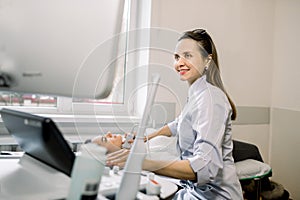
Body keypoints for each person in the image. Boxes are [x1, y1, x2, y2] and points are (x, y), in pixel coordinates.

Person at [100, 29, 244, 199]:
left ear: (207, 59)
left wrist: (141, 163)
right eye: (176, 57)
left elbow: (204, 168)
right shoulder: (197, 94)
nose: (179, 63)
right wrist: (146, 137)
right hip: (193, 191)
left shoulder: (210, 99)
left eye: (187, 55)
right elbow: (178, 124)